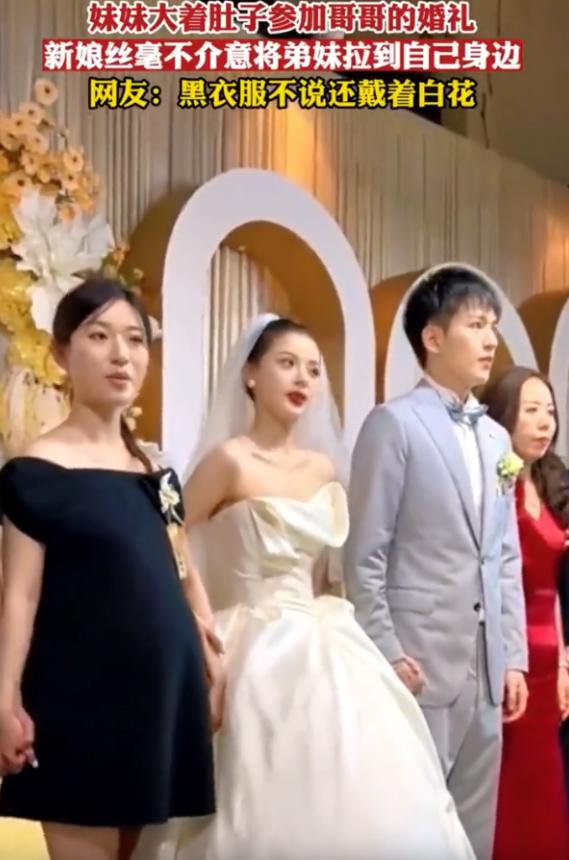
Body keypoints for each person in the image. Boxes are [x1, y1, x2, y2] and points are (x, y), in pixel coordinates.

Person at [161, 313, 476, 860]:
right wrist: (201, 618)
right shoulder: (229, 460)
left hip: (324, 635)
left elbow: (328, 571)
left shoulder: (325, 468)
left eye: (312, 369)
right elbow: (171, 537)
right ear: (251, 374)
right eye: (287, 364)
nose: (302, 379)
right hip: (249, 639)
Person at [0, 279, 221, 860]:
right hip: (76, 699)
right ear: (61, 354)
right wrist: (5, 695)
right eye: (99, 337)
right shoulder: (35, 471)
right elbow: (19, 595)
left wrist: (210, 648)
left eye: (135, 339)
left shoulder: (156, 474)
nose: (122, 355)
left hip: (161, 696)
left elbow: (182, 570)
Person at [345, 263, 529, 860]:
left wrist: (513, 657)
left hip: (486, 668)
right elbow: (364, 553)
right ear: (432, 337)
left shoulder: (498, 440)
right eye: (476, 325)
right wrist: (387, 652)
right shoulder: (393, 424)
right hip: (417, 664)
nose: (490, 339)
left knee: (474, 833)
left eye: (493, 326)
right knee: (410, 830)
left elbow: (504, 555)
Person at [481, 367, 569, 860]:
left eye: (550, 412)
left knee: (545, 790)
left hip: (549, 659)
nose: (544, 423)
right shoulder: (496, 479)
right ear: (503, 416)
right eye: (531, 410)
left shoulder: (554, 484)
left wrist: (564, 662)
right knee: (504, 791)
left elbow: (551, 589)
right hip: (504, 655)